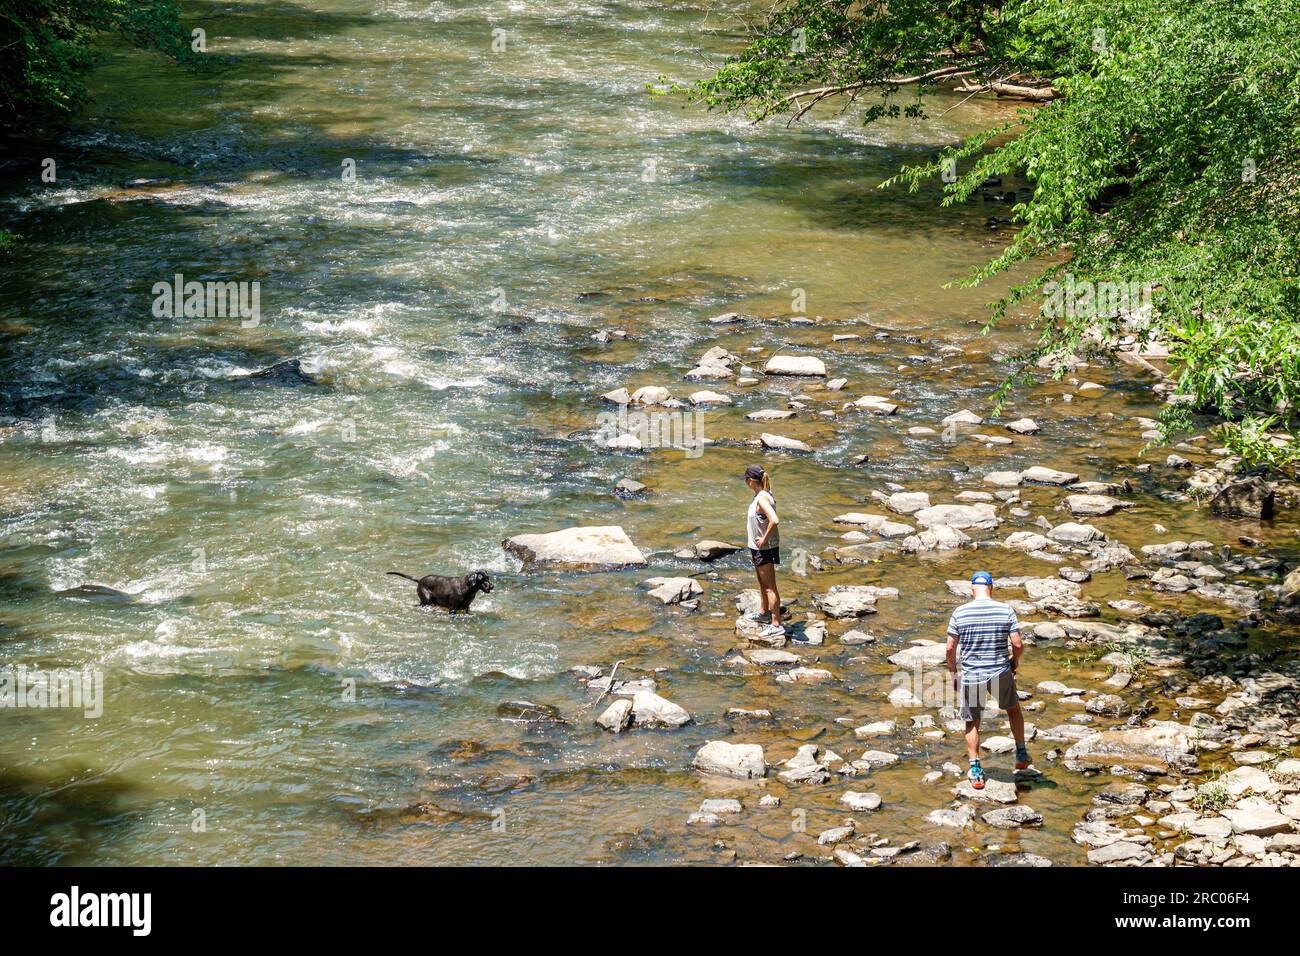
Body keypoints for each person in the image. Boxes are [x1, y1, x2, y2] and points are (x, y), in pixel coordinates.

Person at [945, 571, 1031, 789]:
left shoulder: (960, 612)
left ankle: (975, 769)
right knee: (1013, 709)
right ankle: (1021, 753)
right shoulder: (1005, 610)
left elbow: (950, 648)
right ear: (991, 588)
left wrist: (954, 672)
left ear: (972, 589)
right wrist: (1014, 662)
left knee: (972, 720)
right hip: (1000, 671)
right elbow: (1018, 644)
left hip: (972, 674)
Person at [742, 464, 784, 640]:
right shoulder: (763, 494)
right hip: (759, 548)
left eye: (746, 480)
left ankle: (776, 625)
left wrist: (764, 539)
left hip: (764, 549)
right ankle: (764, 613)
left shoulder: (762, 498)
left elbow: (774, 520)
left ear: (751, 481)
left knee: (769, 587)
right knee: (762, 583)